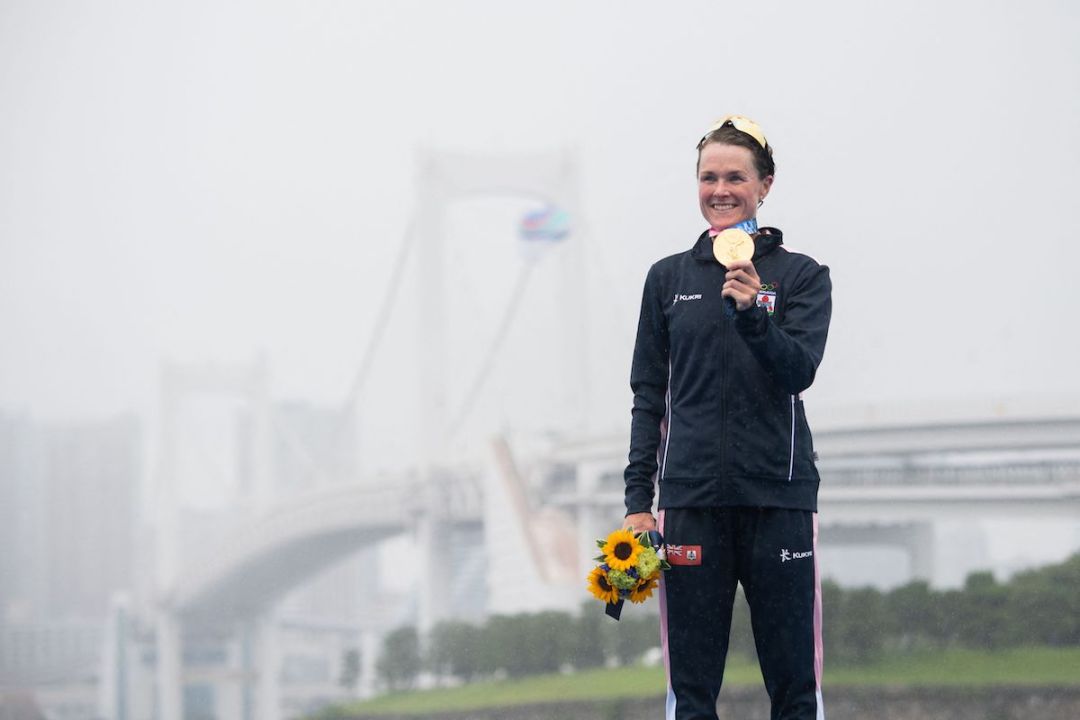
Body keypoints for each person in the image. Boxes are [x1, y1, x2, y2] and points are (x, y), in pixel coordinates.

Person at [622, 115, 831, 720]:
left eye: (735, 177)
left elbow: (799, 371)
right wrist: (640, 502)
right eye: (708, 177)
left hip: (780, 502)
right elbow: (648, 396)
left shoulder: (801, 276)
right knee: (690, 695)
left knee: (794, 690)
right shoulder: (668, 279)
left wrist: (752, 314)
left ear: (764, 185)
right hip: (691, 505)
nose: (721, 189)